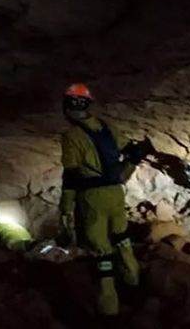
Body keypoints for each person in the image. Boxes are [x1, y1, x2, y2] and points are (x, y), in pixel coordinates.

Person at [58, 83, 151, 316]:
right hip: (115, 192)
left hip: (92, 197)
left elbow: (71, 176)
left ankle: (109, 306)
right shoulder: (106, 127)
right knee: (121, 238)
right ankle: (133, 284)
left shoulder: (71, 136)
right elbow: (132, 151)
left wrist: (65, 210)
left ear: (67, 106)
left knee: (101, 250)